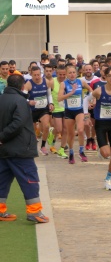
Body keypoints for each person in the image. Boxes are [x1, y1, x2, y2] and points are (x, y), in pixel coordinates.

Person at [0, 75, 49, 223]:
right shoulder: (21, 101)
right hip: (20, 149)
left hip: (3, 150)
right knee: (30, 180)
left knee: (2, 180)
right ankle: (34, 212)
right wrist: (2, 136)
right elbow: (18, 123)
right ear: (22, 86)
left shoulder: (1, 98)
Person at [57, 64, 93, 164]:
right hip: (69, 111)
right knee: (71, 134)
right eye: (70, 73)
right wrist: (70, 93)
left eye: (74, 72)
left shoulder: (80, 81)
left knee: (81, 130)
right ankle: (71, 152)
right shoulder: (63, 84)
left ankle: (81, 151)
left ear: (77, 73)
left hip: (79, 110)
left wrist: (90, 99)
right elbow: (59, 98)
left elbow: (91, 90)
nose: (72, 74)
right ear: (66, 74)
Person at [23, 66, 54, 156]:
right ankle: (31, 147)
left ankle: (43, 146)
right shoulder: (28, 84)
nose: (37, 77)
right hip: (32, 110)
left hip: (43, 109)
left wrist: (51, 103)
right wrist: (29, 102)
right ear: (31, 75)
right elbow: (23, 98)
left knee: (46, 126)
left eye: (38, 75)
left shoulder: (46, 82)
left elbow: (49, 95)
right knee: (32, 131)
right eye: (35, 75)